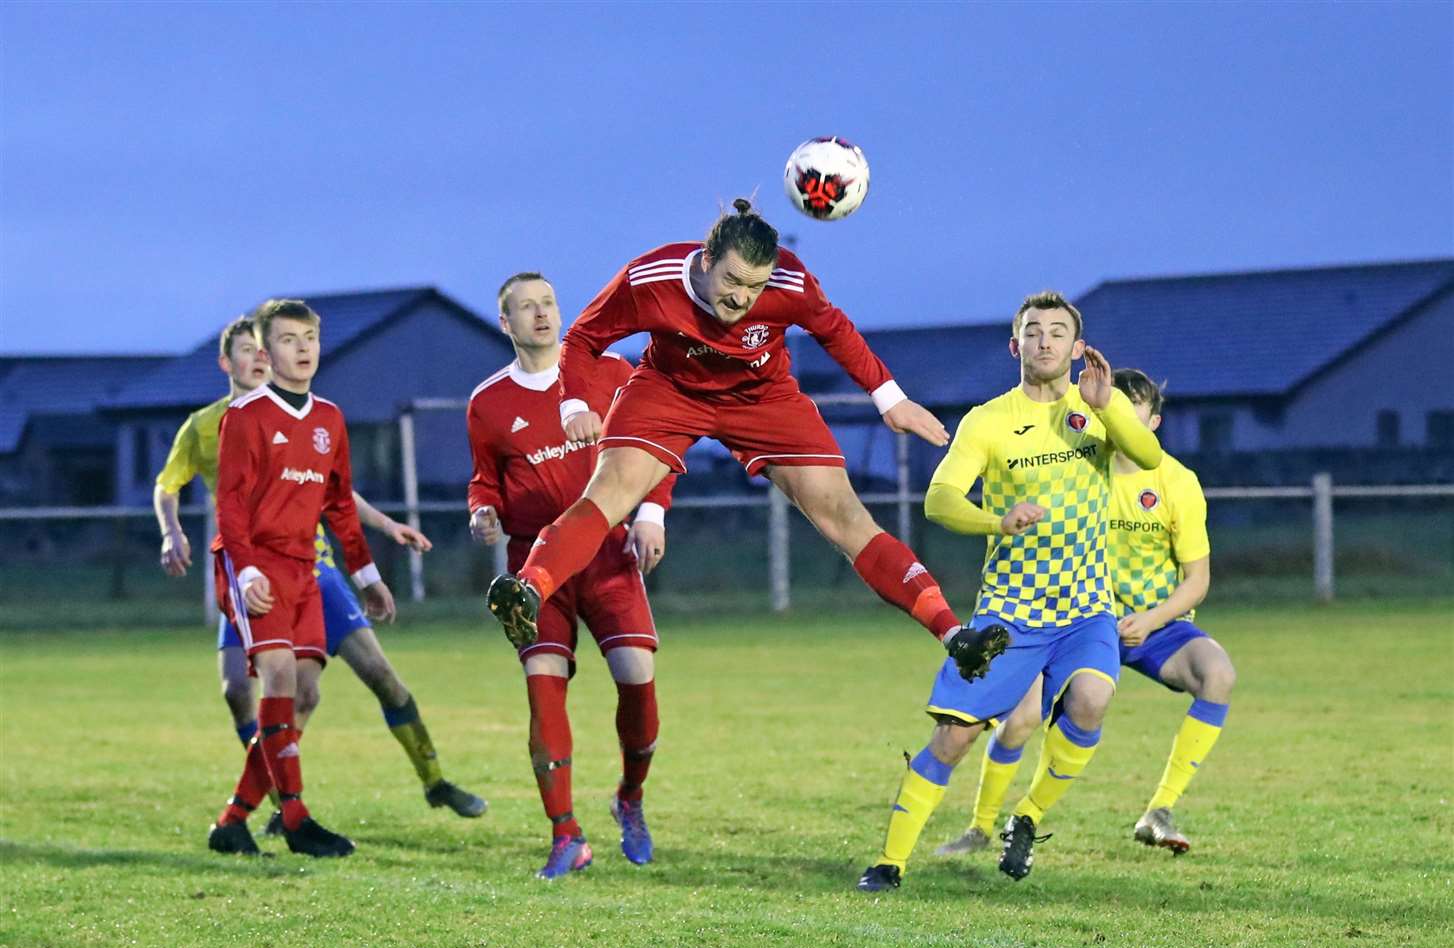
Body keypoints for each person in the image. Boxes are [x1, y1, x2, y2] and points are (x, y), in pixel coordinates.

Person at [483, 200, 1006, 682]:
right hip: (668, 389)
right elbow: (584, 338)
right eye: (732, 280)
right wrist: (572, 402)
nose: (741, 297)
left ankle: (955, 635)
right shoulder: (651, 278)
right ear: (706, 259)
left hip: (764, 397)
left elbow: (835, 329)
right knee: (609, 493)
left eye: (754, 288)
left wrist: (889, 398)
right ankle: (527, 591)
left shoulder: (790, 284)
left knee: (846, 518)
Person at [856, 291, 1163, 891]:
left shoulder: (1098, 408)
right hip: (1012, 612)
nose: (1044, 341)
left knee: (1093, 700)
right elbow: (939, 500)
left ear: (1077, 349)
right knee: (956, 735)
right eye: (1033, 331)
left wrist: (1112, 411)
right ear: (1014, 345)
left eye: (1057, 332)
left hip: (1085, 608)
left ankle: (1028, 815)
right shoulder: (988, 420)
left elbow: (1149, 456)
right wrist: (996, 521)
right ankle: (889, 862)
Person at [156, 318, 485, 829]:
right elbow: (168, 486)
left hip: (316, 570)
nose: (259, 359)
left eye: (263, 349)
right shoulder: (207, 425)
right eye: (248, 351)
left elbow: (334, 490)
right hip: (251, 571)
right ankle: (272, 803)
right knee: (244, 691)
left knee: (375, 676)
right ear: (227, 363)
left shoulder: (307, 415)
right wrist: (171, 530)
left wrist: (384, 525)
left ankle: (434, 781)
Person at [934, 369, 1235, 857]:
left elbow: (1197, 580)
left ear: (1152, 425)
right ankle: (980, 828)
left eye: (1130, 419)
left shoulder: (1178, 482)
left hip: (1152, 623)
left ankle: (1155, 809)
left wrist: (1152, 619)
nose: (1115, 427)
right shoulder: (1074, 467)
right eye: (1108, 413)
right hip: (1075, 618)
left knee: (1218, 673)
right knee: (1022, 718)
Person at [469, 272, 671, 879]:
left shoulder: (608, 373)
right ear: (505, 323)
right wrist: (483, 510)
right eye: (526, 307)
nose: (541, 314)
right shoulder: (487, 402)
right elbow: (485, 479)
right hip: (535, 566)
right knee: (543, 680)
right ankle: (566, 835)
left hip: (608, 552)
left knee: (637, 673)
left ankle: (629, 798)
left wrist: (653, 511)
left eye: (549, 303)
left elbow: (657, 443)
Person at [207, 298, 389, 858]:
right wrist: (248, 570)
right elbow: (231, 505)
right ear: (266, 353)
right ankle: (295, 818)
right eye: (288, 339)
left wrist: (367, 574)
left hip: (305, 569)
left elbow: (338, 505)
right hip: (252, 563)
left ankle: (233, 820)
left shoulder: (330, 419)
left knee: (306, 692)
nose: (303, 347)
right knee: (279, 675)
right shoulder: (244, 417)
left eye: (309, 337)